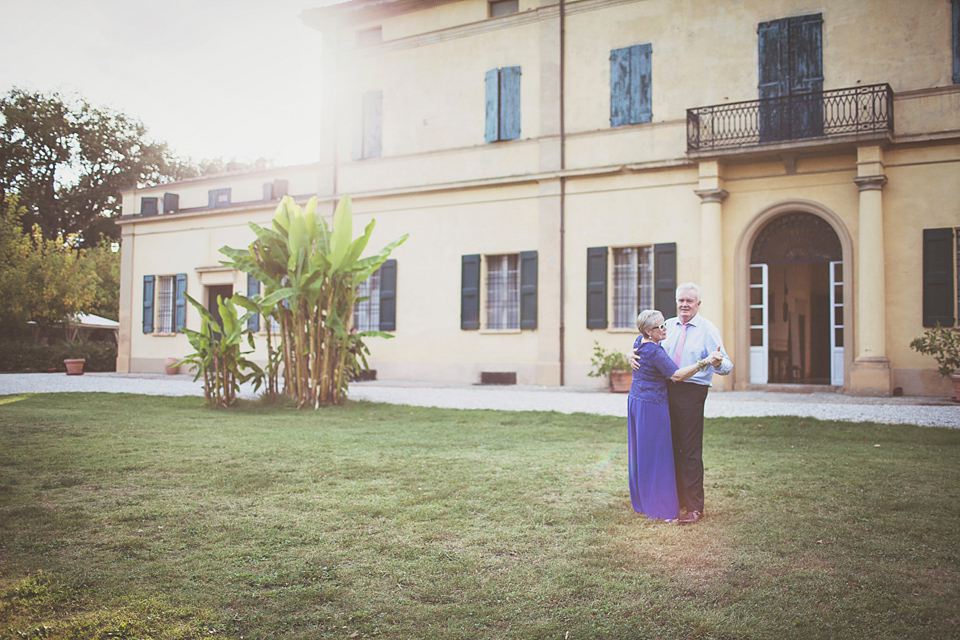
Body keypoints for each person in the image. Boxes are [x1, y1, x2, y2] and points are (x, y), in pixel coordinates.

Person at [631, 283, 732, 525]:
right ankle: (676, 499)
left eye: (690, 300)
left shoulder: (708, 330)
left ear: (698, 304)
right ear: (676, 302)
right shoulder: (667, 327)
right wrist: (630, 354)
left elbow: (727, 365)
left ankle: (695, 508)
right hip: (665, 392)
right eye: (681, 300)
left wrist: (716, 362)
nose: (684, 304)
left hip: (692, 392)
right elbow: (647, 345)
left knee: (689, 450)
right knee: (669, 446)